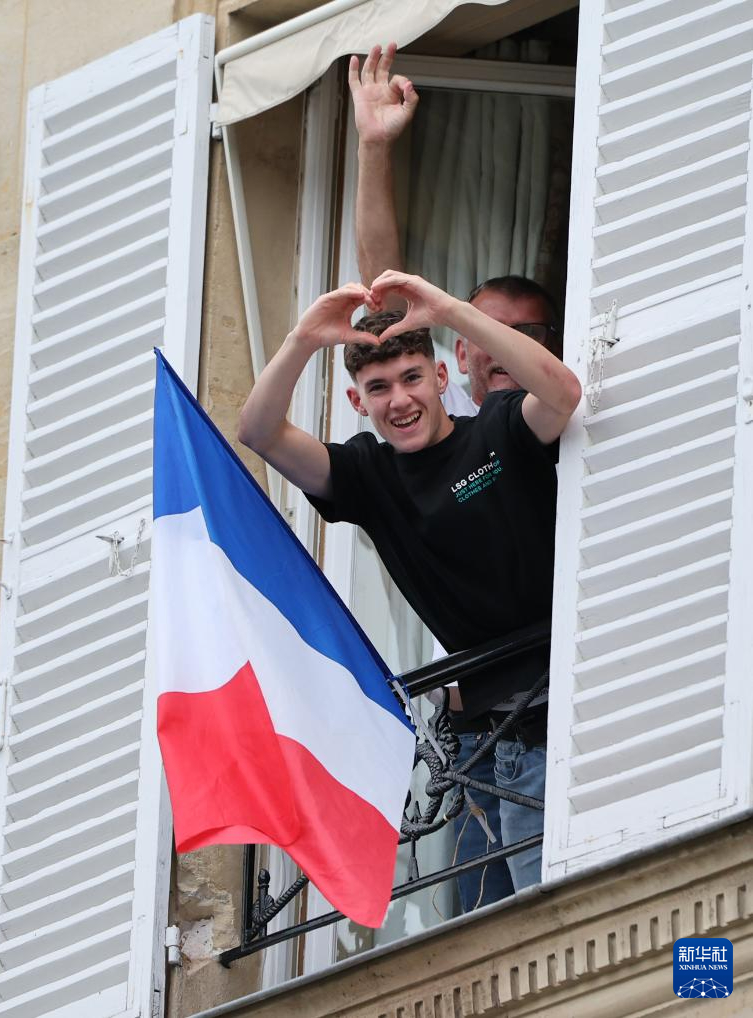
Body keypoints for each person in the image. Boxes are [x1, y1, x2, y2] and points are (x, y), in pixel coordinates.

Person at [237, 272, 581, 910]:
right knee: (493, 940)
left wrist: (448, 310)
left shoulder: (498, 427)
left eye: (412, 378)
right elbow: (258, 432)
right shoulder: (367, 473)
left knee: (552, 922)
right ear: (357, 400)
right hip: (483, 738)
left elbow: (563, 392)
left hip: (559, 708)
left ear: (443, 377)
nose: (399, 400)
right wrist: (304, 337)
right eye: (379, 387)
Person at [348, 44, 566, 907]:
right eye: (475, 327)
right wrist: (374, 149)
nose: (494, 345)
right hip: (477, 731)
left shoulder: (545, 415)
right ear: (458, 357)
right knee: (480, 943)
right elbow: (383, 304)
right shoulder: (446, 425)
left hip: (560, 710)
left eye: (523, 332)